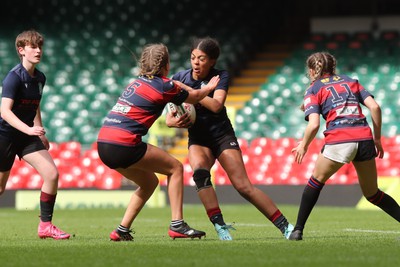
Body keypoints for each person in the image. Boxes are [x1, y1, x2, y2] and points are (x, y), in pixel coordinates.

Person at [166, 36, 293, 241]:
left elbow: (217, 105)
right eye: (193, 58)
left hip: (222, 136)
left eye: (202, 58)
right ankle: (220, 226)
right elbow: (170, 114)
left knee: (243, 187)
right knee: (200, 175)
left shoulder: (220, 76)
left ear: (212, 61)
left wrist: (191, 91)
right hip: (198, 139)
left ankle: (286, 227)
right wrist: (172, 122)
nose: (196, 63)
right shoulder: (180, 77)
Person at [97, 43, 220, 241]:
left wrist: (171, 121)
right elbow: (195, 97)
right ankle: (177, 224)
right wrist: (211, 87)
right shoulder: (165, 85)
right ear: (166, 65)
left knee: (149, 182)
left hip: (104, 143)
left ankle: (122, 229)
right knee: (176, 168)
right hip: (124, 143)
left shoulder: (136, 83)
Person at [289, 51, 400, 241]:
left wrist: (304, 146)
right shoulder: (350, 81)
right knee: (373, 194)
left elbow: (314, 124)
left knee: (315, 182)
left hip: (339, 140)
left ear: (311, 70)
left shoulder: (313, 89)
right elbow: (375, 107)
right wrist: (377, 139)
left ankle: (297, 230)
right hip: (364, 139)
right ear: (333, 67)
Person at [0, 30, 70, 239]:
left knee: (51, 174)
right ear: (21, 51)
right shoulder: (13, 77)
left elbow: (35, 105)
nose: (38, 50)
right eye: (33, 46)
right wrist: (29, 129)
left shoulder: (40, 78)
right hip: (5, 136)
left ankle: (45, 226)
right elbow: (4, 111)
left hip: (26, 136)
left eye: (40, 46)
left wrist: (38, 131)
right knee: (0, 188)